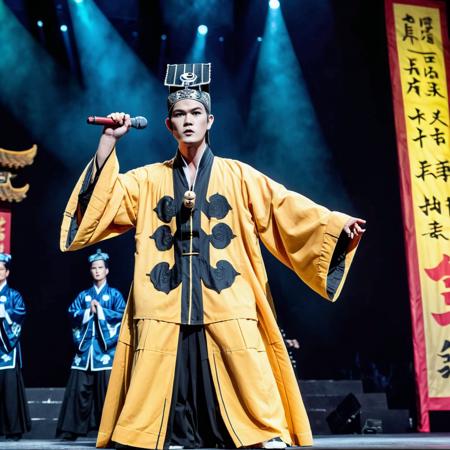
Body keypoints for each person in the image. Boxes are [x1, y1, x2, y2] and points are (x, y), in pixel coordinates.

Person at [60, 63, 365, 449]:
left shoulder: (239, 176)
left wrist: (335, 226)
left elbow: (284, 207)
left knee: (243, 356)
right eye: (180, 115)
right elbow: (99, 207)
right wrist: (109, 141)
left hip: (224, 290)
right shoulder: (147, 179)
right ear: (168, 125)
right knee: (158, 362)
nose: (188, 121)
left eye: (195, 113)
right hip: (164, 294)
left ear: (210, 120)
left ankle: (261, 430)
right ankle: (155, 433)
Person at [56, 249, 126, 441]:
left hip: (105, 351)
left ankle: (110, 431)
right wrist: (88, 311)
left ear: (107, 270)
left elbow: (122, 316)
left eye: (100, 268)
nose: (97, 271)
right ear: (91, 271)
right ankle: (71, 430)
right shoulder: (84, 296)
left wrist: (101, 311)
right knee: (79, 390)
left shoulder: (114, 295)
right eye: (94, 268)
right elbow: (72, 314)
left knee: (106, 392)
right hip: (86, 350)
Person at [0, 253, 31, 441]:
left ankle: (13, 429)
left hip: (7, 349)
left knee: (10, 391)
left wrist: (5, 314)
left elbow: (20, 314)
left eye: (0, 269)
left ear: (7, 272)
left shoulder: (14, 295)